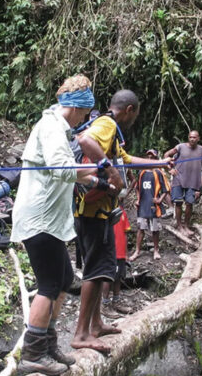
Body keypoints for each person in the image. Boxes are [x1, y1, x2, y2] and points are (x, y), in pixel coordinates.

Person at [11, 74, 103, 376]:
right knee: (50, 284)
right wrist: (100, 168)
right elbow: (62, 169)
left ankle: (48, 344)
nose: (84, 120)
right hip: (39, 219)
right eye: (85, 114)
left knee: (63, 279)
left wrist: (93, 177)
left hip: (49, 220)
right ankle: (33, 353)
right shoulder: (51, 127)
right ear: (78, 109)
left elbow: (64, 171)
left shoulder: (56, 128)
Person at [73, 90, 171, 354]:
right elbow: (85, 141)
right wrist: (112, 172)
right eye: (135, 114)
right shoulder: (106, 124)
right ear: (129, 109)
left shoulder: (111, 131)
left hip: (98, 212)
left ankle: (95, 324)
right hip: (93, 212)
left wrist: (160, 163)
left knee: (101, 269)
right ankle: (81, 333)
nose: (134, 118)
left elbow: (127, 160)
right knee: (95, 272)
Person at [164, 130, 202, 234]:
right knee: (178, 203)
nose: (192, 139)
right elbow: (167, 154)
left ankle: (186, 226)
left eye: (194, 137)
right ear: (188, 138)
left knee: (189, 203)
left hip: (193, 181)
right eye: (190, 137)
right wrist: (169, 168)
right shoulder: (180, 147)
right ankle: (179, 226)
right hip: (178, 179)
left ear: (198, 138)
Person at [130, 149, 169, 261]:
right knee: (140, 228)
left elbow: (166, 189)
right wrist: (138, 199)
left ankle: (156, 250)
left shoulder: (159, 172)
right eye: (148, 157)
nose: (150, 159)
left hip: (154, 205)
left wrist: (160, 199)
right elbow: (137, 188)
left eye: (152, 157)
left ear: (156, 159)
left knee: (155, 229)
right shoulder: (141, 172)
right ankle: (137, 251)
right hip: (143, 204)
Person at [101, 209, 133, 318]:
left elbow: (125, 233)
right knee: (108, 277)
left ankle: (116, 301)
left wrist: (126, 254)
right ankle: (105, 304)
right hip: (109, 251)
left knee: (118, 277)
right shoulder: (104, 212)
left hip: (120, 252)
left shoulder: (123, 213)